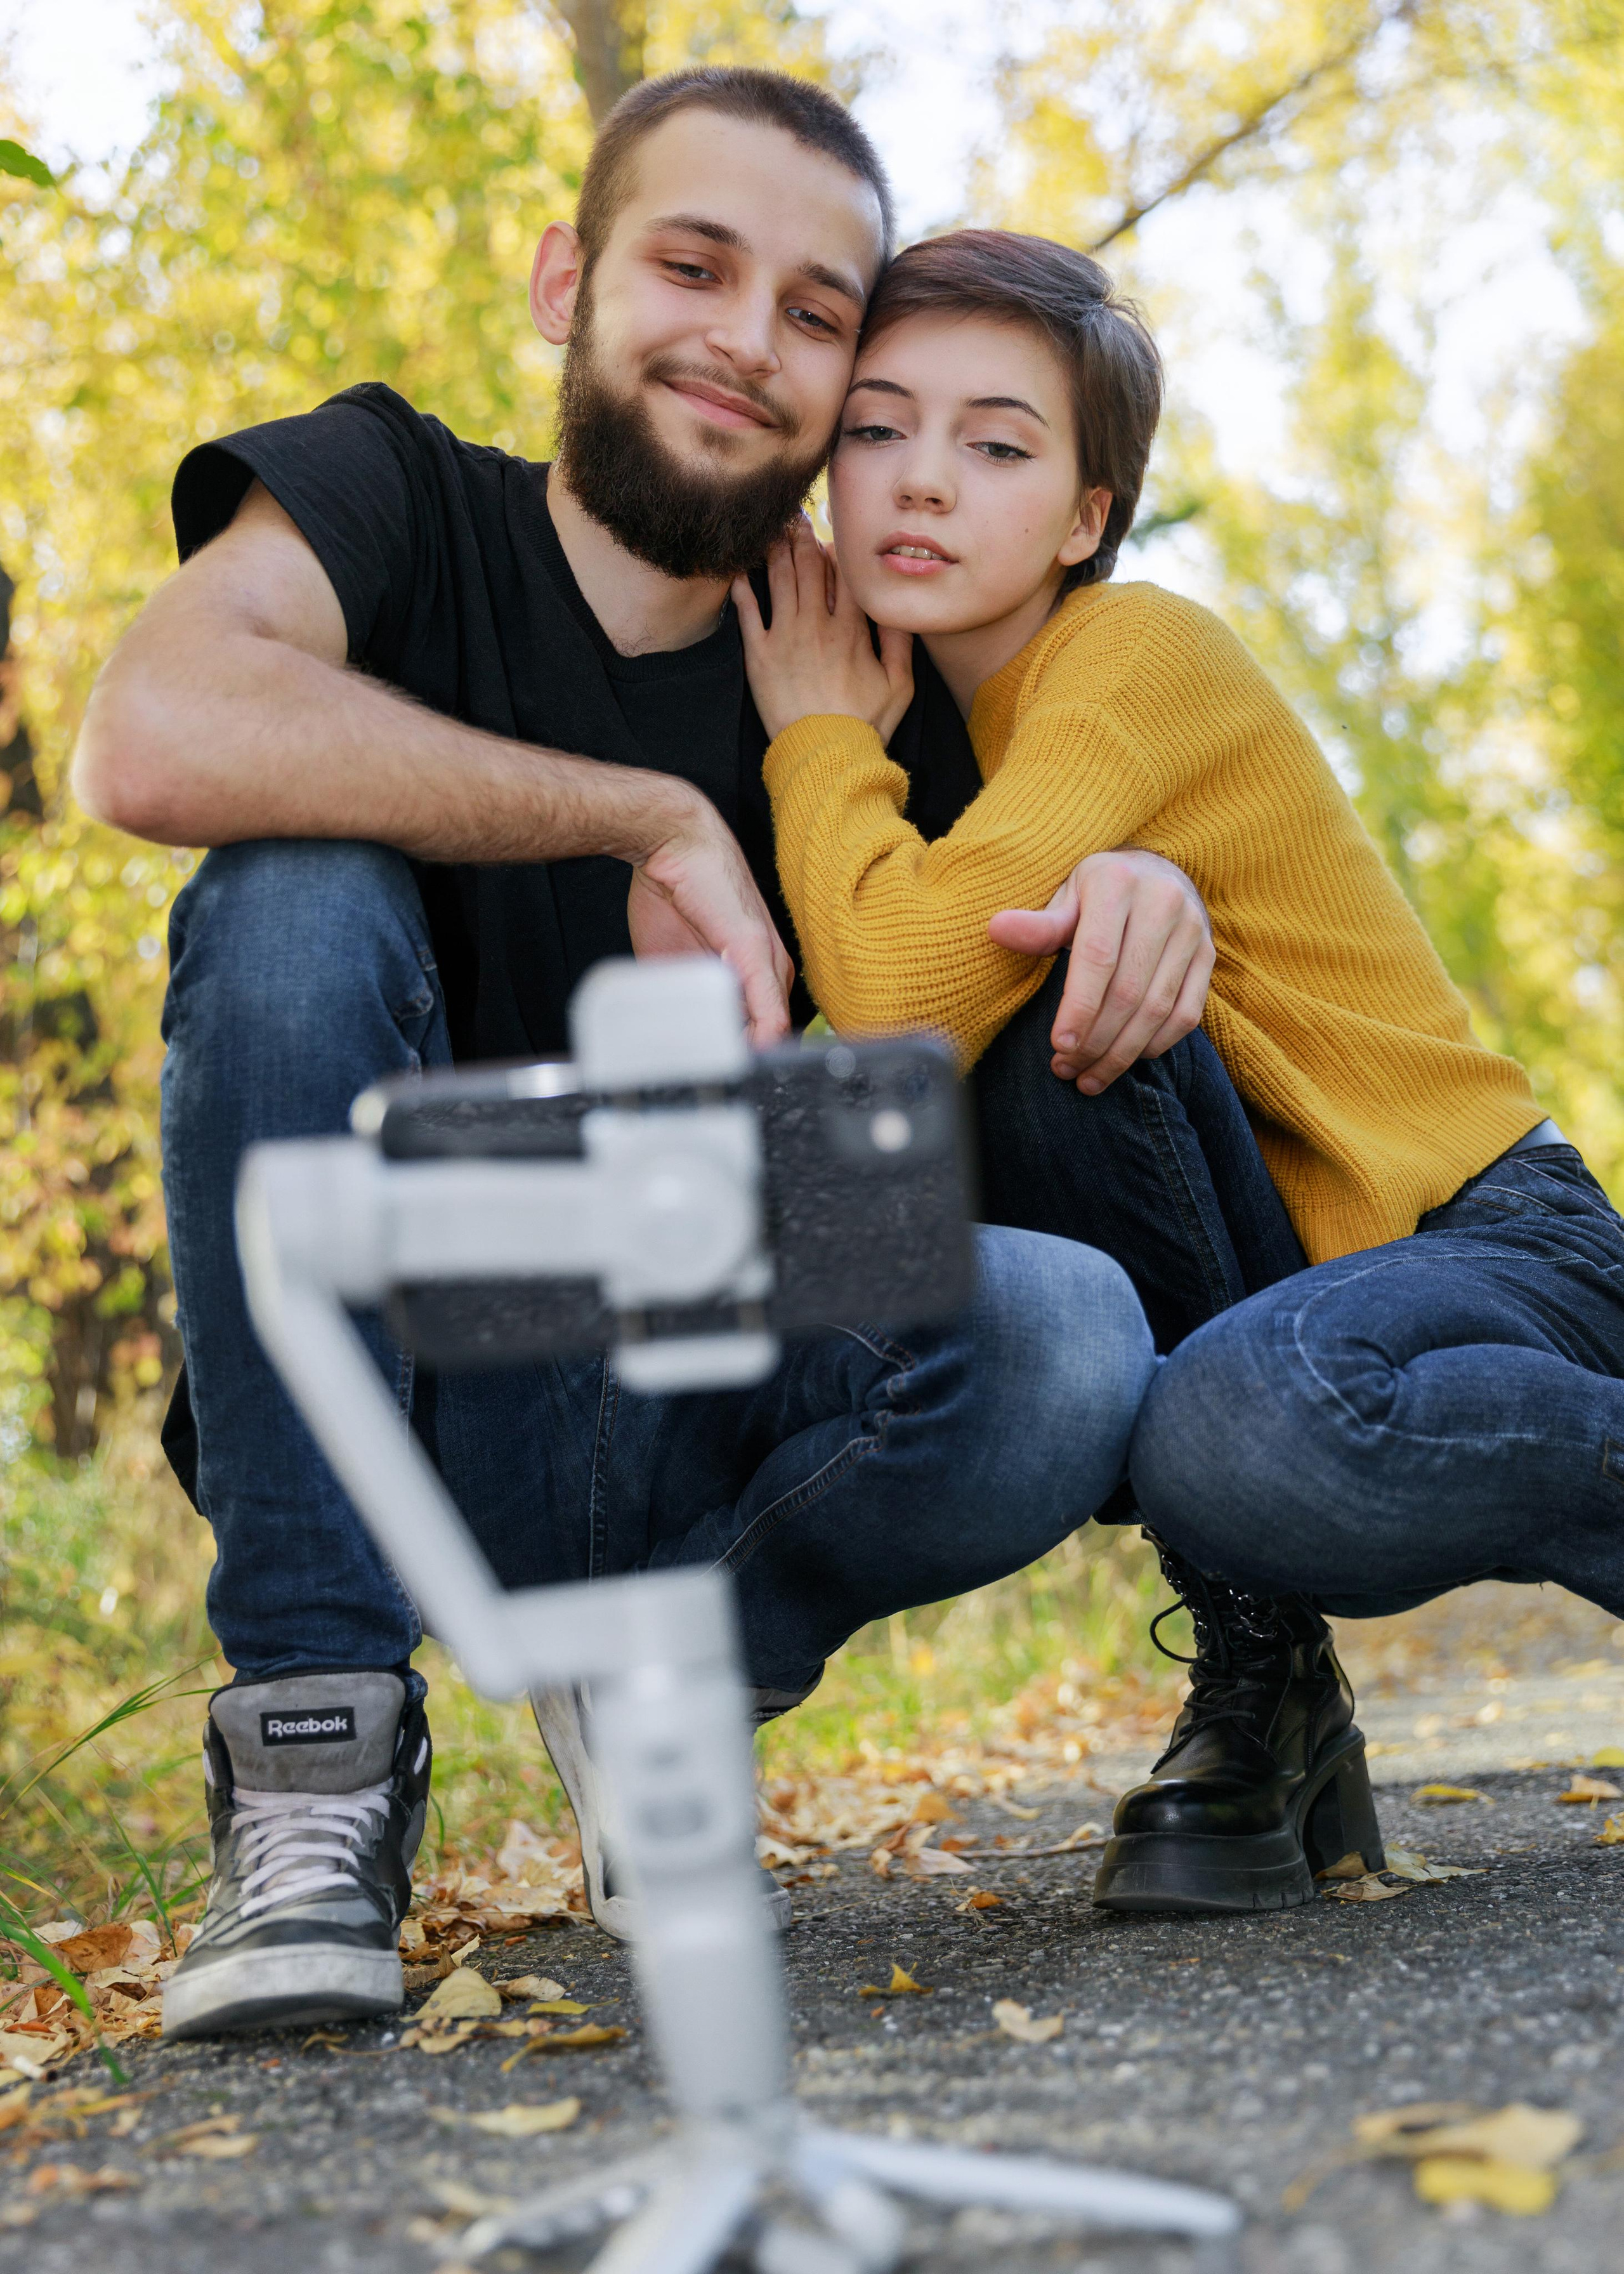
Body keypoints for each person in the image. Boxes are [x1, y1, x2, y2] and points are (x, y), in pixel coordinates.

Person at [73, 72, 1221, 2039]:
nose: (747, 342)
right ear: (562, 283)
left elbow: (994, 979)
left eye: (813, 312)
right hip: (397, 1360)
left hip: (708, 1328)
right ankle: (318, 1757)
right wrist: (641, 817)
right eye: (694, 265)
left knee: (1065, 1333)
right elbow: (149, 735)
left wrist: (1140, 887)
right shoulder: (391, 494)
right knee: (288, 891)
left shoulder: (854, 670)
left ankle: (671, 1665)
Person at [737, 226, 1609, 1917]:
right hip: (1307, 1281)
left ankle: (1265, 1659)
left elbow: (909, 990)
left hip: (1498, 1240)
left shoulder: (1130, 655)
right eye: (877, 428)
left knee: (1245, 1418)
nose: (924, 482)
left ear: (1083, 515)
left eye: (997, 445)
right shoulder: (953, 753)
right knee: (1199, 1376)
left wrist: (810, 736)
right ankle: (1269, 1680)